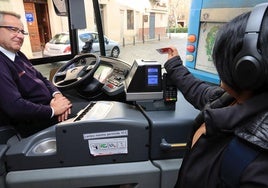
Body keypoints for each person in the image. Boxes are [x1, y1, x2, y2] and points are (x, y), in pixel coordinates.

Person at [164, 3, 268, 188]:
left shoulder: (258, 167)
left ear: (248, 68)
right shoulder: (231, 100)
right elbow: (198, 90)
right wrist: (174, 64)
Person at [0, 11, 72, 138]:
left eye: (22, 32)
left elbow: (41, 78)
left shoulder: (18, 55)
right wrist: (53, 111)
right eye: (13, 30)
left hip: (47, 108)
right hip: (32, 124)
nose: (20, 36)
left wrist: (58, 96)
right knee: (95, 118)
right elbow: (15, 107)